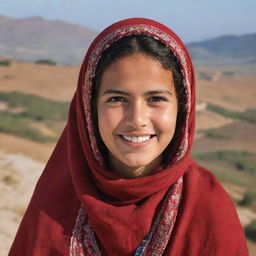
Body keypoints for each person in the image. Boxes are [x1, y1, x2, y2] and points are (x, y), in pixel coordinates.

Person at [9, 18, 248, 256]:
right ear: (90, 108)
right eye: (117, 99)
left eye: (156, 99)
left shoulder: (208, 207)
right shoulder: (54, 201)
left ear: (182, 109)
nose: (137, 119)